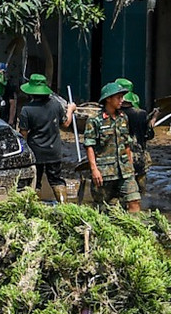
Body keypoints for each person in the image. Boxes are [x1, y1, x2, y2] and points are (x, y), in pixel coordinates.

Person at [83, 81, 141, 211]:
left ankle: (134, 229)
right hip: (105, 172)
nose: (122, 100)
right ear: (108, 99)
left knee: (134, 199)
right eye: (118, 97)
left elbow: (127, 143)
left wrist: (130, 166)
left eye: (122, 97)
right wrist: (94, 170)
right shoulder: (95, 120)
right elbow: (89, 145)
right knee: (104, 208)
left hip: (125, 170)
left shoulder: (123, 117)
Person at [15, 73, 70, 202]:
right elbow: (66, 124)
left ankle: (35, 207)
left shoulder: (27, 109)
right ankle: (65, 206)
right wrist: (71, 110)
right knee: (56, 180)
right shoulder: (56, 105)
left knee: (35, 181)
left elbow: (23, 133)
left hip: (36, 151)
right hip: (54, 151)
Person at [118, 80, 156, 194]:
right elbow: (148, 135)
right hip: (139, 157)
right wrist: (152, 120)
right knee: (141, 187)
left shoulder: (115, 113)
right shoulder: (141, 114)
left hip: (121, 156)